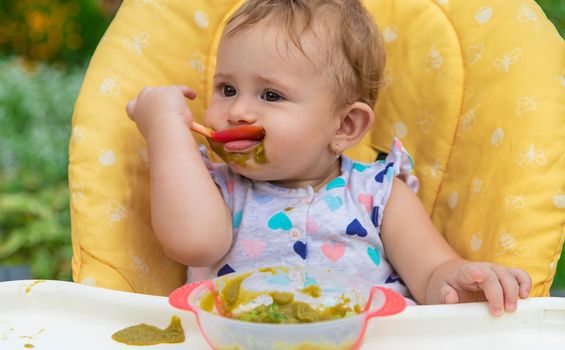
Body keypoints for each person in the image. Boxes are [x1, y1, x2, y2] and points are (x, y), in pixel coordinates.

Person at [126, 0, 531, 316]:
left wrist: (459, 281)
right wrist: (165, 126)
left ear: (345, 127)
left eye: (271, 95)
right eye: (227, 89)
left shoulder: (379, 195)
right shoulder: (211, 186)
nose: (237, 111)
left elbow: (430, 273)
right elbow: (195, 242)